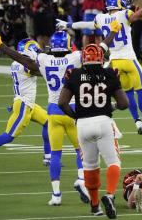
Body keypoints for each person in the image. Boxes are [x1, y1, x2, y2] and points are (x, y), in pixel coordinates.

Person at [0, 22, 119, 205]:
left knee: (55, 154)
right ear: (69, 44)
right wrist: (113, 32)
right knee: (81, 150)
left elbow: (25, 61)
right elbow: (99, 49)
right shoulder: (75, 58)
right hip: (71, 110)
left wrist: (2, 47)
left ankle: (56, 195)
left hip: (53, 111)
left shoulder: (45, 60)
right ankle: (81, 181)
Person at [56, 0, 142, 135]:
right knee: (141, 90)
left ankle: (137, 121)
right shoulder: (124, 14)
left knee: (127, 92)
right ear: (118, 3)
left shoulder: (100, 17)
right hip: (129, 60)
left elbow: (88, 25)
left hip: (114, 62)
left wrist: (68, 24)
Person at [58, 43, 129, 218]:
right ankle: (110, 195)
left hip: (82, 125)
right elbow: (124, 104)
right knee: (113, 162)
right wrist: (110, 107)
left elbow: (62, 103)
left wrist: (76, 116)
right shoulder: (110, 73)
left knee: (90, 166)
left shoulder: (74, 74)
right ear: (101, 58)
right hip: (103, 122)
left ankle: (95, 206)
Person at [0, 38, 51, 166]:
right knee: (9, 136)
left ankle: (48, 158)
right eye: (36, 50)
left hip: (28, 104)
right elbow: (40, 71)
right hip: (24, 105)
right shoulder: (25, 65)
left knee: (49, 123)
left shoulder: (17, 63)